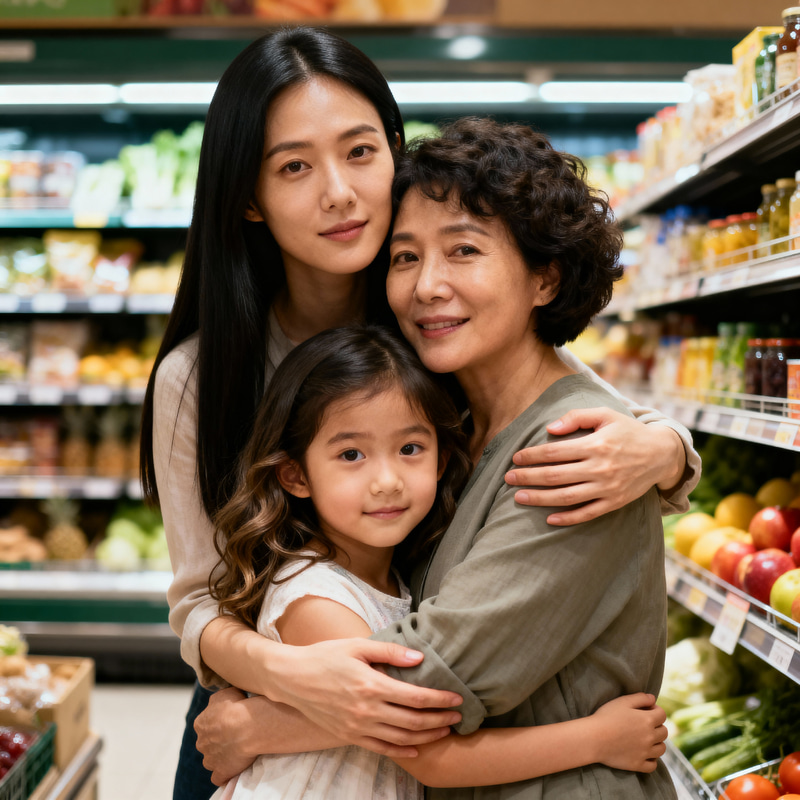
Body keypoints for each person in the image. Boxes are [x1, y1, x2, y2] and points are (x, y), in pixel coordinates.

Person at [138, 27, 698, 798]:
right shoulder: (203, 375)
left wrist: (664, 446)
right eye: (294, 166)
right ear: (249, 197)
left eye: (360, 152)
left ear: (393, 154)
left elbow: (558, 389)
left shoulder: (421, 321)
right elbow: (199, 597)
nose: (338, 191)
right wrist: (289, 683)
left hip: (426, 700)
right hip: (265, 699)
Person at [207, 323, 668, 800]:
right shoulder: (317, 600)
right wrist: (596, 739)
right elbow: (426, 752)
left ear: (443, 459)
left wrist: (668, 447)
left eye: (410, 449)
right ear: (295, 475)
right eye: (351, 454)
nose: (386, 481)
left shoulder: (396, 569)